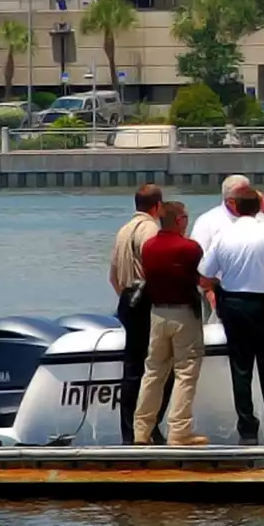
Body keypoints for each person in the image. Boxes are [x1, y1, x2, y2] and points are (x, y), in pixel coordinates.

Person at [198, 185, 264, 445]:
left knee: (240, 370)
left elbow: (204, 277)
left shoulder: (223, 236)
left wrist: (221, 286)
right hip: (263, 305)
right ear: (257, 207)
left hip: (233, 306)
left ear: (234, 206)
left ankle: (247, 431)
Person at [132, 201, 207, 446]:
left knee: (153, 372)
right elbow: (202, 278)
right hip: (184, 314)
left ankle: (141, 432)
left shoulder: (149, 246)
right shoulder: (190, 248)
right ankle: (180, 431)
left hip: (157, 314)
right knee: (185, 372)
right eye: (185, 217)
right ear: (178, 220)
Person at [109, 184, 164, 444]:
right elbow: (155, 268)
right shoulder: (151, 229)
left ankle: (128, 432)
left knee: (131, 369)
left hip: (126, 300)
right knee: (156, 368)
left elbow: (113, 275)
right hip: (146, 303)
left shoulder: (122, 231)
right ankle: (148, 428)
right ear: (157, 206)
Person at [191, 174, 264, 254]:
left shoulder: (263, 215)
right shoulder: (207, 222)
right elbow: (197, 256)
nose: (249, 198)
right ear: (230, 201)